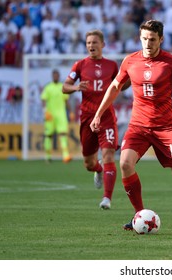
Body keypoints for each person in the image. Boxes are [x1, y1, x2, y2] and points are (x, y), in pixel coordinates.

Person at [90, 20, 172, 234]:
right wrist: (98, 113)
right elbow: (115, 87)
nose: (148, 43)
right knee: (125, 163)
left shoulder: (170, 61)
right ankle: (139, 215)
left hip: (165, 128)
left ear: (161, 39)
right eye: (144, 38)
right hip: (138, 126)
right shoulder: (130, 61)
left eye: (152, 39)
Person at [62, 29, 129, 210]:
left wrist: (131, 76)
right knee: (89, 163)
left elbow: (121, 86)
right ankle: (98, 170)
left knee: (108, 155)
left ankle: (107, 198)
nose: (91, 45)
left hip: (106, 117)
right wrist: (76, 88)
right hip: (87, 118)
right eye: (89, 43)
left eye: (94, 42)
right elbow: (64, 87)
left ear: (102, 45)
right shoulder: (80, 65)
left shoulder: (112, 66)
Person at [41, 69, 72, 163]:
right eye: (54, 75)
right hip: (50, 115)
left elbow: (66, 101)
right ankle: (48, 157)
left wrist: (70, 112)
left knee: (63, 134)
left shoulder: (62, 87)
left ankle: (66, 156)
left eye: (57, 75)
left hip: (61, 114)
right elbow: (43, 100)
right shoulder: (48, 87)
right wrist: (45, 111)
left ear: (59, 76)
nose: (55, 77)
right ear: (52, 76)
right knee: (48, 135)